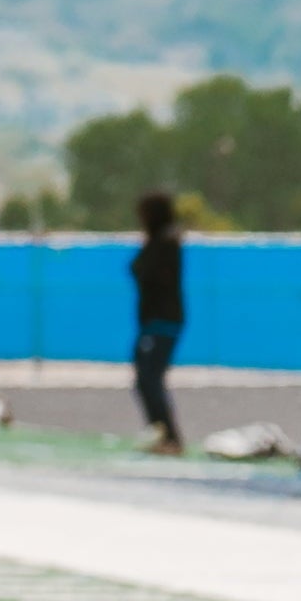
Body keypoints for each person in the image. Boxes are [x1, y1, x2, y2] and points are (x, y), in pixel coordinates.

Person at [133, 189, 188, 456]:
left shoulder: (165, 242)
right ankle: (161, 433)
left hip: (162, 321)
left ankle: (170, 437)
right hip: (153, 321)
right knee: (145, 378)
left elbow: (150, 272)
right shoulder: (158, 241)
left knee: (150, 378)